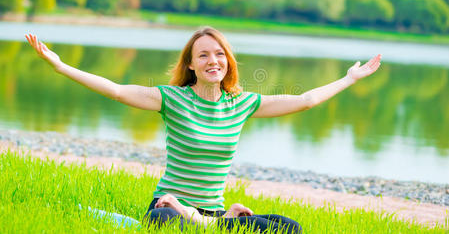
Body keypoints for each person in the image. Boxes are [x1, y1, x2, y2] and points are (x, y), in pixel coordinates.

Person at [25, 27, 381, 233]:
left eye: (220, 54)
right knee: (165, 221)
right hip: (168, 206)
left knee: (289, 228)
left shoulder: (242, 104)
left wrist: (350, 78)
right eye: (204, 55)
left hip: (212, 213)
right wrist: (60, 67)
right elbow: (117, 90)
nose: (214, 61)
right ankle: (207, 220)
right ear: (192, 65)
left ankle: (212, 221)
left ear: (228, 61)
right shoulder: (172, 99)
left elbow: (305, 100)